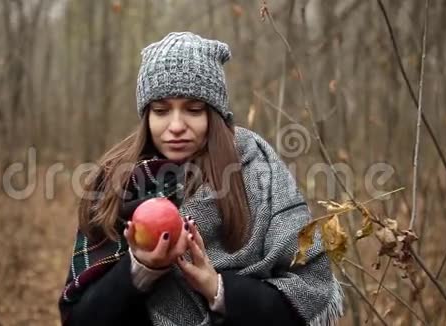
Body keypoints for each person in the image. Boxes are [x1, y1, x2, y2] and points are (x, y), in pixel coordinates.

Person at [58, 31, 343, 326]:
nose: (177, 126)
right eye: (161, 110)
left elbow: (308, 290)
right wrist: (140, 269)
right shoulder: (116, 183)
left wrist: (217, 288)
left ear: (214, 115)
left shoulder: (259, 170)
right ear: (147, 116)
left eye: (194, 110)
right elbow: (81, 319)